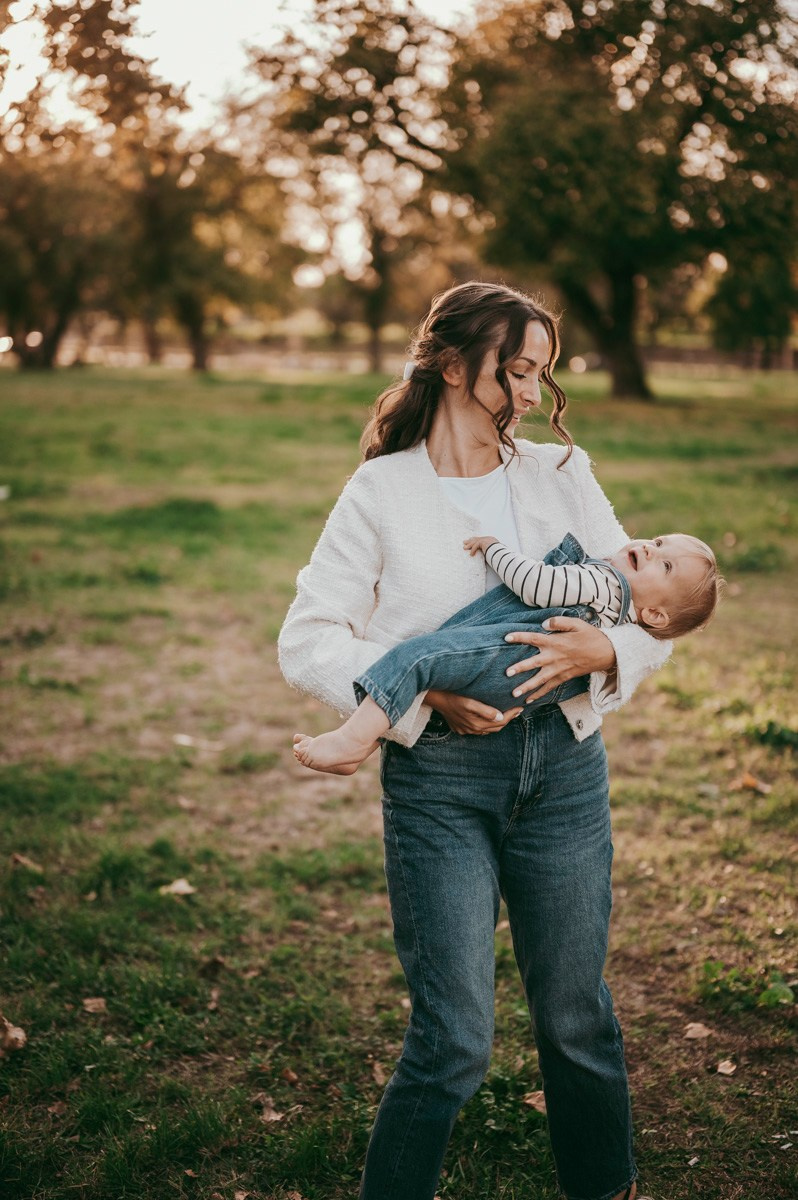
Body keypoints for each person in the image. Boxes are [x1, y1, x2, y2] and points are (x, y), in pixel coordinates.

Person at [278, 280, 672, 1200]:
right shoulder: (381, 490)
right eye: (518, 372)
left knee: (576, 1016)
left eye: (542, 375)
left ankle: (603, 1186)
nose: (532, 395)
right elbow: (308, 637)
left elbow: (650, 606)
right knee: (453, 1038)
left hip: (566, 773)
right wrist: (426, 701)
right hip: (439, 781)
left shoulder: (560, 476)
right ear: (454, 366)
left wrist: (601, 647)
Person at [292, 529, 719, 775]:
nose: (650, 549)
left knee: (417, 658)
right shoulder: (624, 610)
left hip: (512, 659)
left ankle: (352, 740)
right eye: (660, 542)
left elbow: (537, 585)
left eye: (665, 565)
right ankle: (373, 733)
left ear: (655, 616)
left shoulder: (604, 581)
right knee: (426, 664)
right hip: (523, 690)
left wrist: (494, 549)